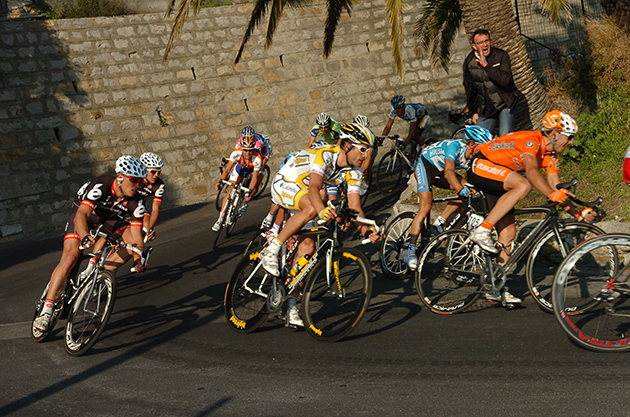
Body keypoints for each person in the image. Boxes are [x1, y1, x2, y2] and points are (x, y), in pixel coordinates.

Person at [466, 110, 596, 303]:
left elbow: (556, 189)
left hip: (501, 177)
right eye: (569, 138)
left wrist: (578, 213)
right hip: (482, 165)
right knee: (524, 184)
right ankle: (482, 231)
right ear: (554, 133)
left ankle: (494, 286)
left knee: (509, 232)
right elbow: (532, 172)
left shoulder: (551, 157)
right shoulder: (531, 141)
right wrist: (551, 194)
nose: (571, 143)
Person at [260, 123, 382, 326]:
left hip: (305, 193)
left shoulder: (355, 173)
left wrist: (366, 230)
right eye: (362, 149)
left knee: (308, 248)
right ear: (346, 145)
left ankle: (291, 304)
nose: (365, 155)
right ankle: (271, 250)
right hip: (287, 181)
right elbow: (315, 188)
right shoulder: (325, 154)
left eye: (368, 150)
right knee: (311, 208)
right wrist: (322, 209)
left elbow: (355, 207)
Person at [34, 156, 148, 332]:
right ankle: (47, 310)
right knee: (71, 257)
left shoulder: (138, 199)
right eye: (133, 180)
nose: (137, 185)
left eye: (140, 182)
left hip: (109, 219)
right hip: (84, 215)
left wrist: (138, 256)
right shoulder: (101, 184)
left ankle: (104, 272)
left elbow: (137, 235)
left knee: (133, 241)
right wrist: (85, 236)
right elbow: (82, 215)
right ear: (120, 177)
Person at [403, 126, 493, 270]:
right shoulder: (455, 147)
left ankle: (439, 223)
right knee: (426, 206)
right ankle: (410, 251)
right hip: (426, 165)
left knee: (468, 190)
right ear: (471, 145)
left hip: (440, 170)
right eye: (481, 148)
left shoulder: (475, 156)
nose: (483, 152)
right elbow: (449, 173)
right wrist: (459, 189)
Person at [463, 29, 518, 137]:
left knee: (505, 137)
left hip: (505, 103)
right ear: (474, 46)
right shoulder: (469, 62)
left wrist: (486, 66)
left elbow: (505, 81)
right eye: (481, 43)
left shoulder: (501, 56)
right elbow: (470, 88)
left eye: (486, 41)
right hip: (486, 108)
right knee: (477, 140)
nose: (485, 45)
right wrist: (473, 111)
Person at [213, 136, 262, 232]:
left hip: (253, 170)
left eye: (250, 150)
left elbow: (255, 178)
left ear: (253, 150)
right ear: (241, 148)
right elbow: (227, 169)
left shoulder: (257, 158)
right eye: (245, 150)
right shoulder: (236, 153)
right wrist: (221, 182)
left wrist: (250, 192)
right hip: (241, 167)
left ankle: (244, 202)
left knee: (256, 184)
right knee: (230, 190)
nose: (248, 153)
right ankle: (220, 219)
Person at [138, 152, 166, 241]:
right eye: (153, 172)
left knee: (146, 228)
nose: (156, 175)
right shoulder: (135, 178)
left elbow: (155, 209)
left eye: (159, 172)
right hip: (123, 203)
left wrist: (150, 228)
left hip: (138, 205)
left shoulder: (159, 185)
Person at [353, 114, 378, 189]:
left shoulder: (370, 137)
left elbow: (369, 156)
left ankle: (365, 181)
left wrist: (362, 170)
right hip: (359, 147)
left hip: (370, 149)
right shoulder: (352, 130)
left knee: (365, 169)